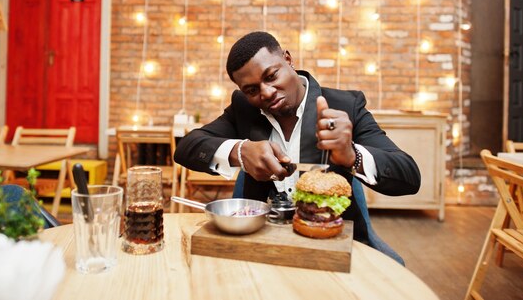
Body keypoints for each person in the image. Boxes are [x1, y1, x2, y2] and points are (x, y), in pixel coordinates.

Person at [174, 31, 420, 248]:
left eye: (271, 76)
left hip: (332, 242)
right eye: (252, 90)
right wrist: (239, 151)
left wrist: (351, 155)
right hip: (262, 241)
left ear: (288, 60)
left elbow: (409, 175)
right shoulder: (244, 109)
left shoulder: (346, 105)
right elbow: (187, 146)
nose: (267, 93)